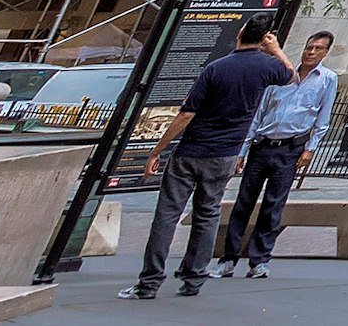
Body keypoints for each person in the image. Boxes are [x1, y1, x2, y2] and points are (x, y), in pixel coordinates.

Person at [131, 20, 290, 298]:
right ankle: (194, 279)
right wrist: (275, 49)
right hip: (226, 153)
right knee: (208, 214)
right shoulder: (266, 66)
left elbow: (186, 114)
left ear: (239, 34)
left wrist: (157, 150)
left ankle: (150, 282)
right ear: (264, 38)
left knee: (167, 215)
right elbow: (291, 76)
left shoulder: (216, 68)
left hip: (193, 150)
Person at [215, 31, 335, 277]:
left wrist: (310, 149)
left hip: (291, 149)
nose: (311, 52)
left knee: (274, 205)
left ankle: (259, 260)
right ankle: (228, 259)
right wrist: (243, 149)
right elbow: (258, 114)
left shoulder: (327, 79)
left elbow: (323, 119)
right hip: (262, 146)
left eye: (318, 49)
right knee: (243, 203)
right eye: (309, 47)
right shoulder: (282, 74)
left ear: (326, 52)